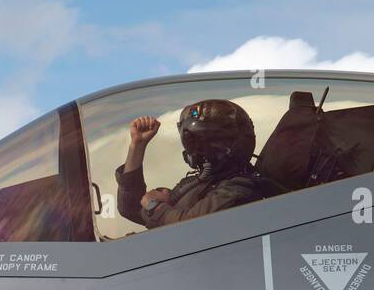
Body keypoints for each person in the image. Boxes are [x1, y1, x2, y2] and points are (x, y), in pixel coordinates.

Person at [115, 99, 278, 231]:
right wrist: (137, 145)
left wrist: (154, 206)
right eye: (193, 143)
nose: (196, 151)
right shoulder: (198, 183)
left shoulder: (238, 189)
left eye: (203, 143)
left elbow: (189, 228)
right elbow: (130, 208)